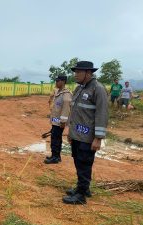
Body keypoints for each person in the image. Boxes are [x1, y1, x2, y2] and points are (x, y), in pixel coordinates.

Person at [63, 61, 109, 205]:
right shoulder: (79, 89)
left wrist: (98, 138)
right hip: (77, 135)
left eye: (78, 72)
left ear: (88, 73)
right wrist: (70, 131)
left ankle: (81, 196)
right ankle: (82, 188)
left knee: (84, 164)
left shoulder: (98, 89)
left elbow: (102, 114)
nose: (75, 75)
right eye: (75, 72)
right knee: (78, 161)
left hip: (88, 137)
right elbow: (74, 111)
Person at [44, 75, 72, 164]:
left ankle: (55, 157)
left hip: (60, 122)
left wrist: (63, 122)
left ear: (63, 81)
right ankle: (55, 155)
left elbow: (66, 109)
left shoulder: (66, 94)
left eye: (57, 81)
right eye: (56, 80)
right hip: (56, 121)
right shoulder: (58, 92)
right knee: (54, 138)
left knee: (56, 139)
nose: (56, 82)